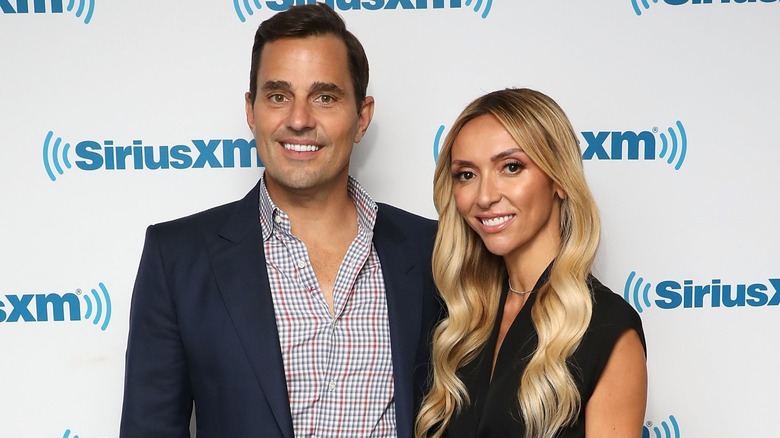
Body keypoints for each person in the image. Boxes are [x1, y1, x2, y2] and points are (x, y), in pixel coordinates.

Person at [119, 4, 440, 437]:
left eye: (325, 97)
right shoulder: (177, 258)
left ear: (361, 117)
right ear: (252, 111)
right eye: (278, 96)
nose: (299, 120)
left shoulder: (430, 249)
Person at [415, 88, 647, 438]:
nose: (485, 196)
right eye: (466, 174)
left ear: (559, 180)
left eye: (511, 167)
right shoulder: (459, 320)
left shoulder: (608, 329)